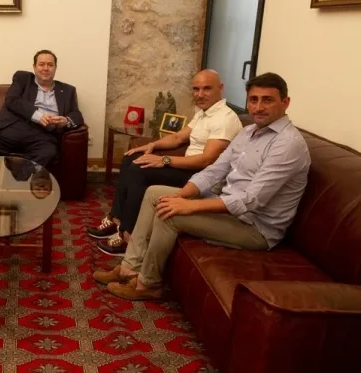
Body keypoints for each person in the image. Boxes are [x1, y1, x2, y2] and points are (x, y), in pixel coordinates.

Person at [93, 72, 310, 301]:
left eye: (267, 100)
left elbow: (251, 200)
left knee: (170, 215)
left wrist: (189, 206)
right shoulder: (248, 133)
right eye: (253, 100)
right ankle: (130, 268)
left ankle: (148, 283)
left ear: (285, 102)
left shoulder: (287, 144)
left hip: (255, 228)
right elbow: (215, 170)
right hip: (228, 209)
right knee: (154, 193)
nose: (258, 107)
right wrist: (182, 195)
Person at [87, 70, 242, 256]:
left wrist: (164, 160)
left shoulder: (225, 119)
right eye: (196, 89)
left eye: (206, 89)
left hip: (202, 179)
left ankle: (128, 236)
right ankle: (116, 219)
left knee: (139, 169)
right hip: (189, 169)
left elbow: (207, 160)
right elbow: (178, 137)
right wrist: (151, 146)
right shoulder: (204, 113)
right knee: (131, 159)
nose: (200, 94)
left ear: (221, 88)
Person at [0, 50, 84, 167]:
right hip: (15, 127)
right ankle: (6, 173)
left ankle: (16, 175)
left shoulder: (67, 90)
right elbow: (12, 100)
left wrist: (66, 121)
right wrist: (39, 116)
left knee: (48, 153)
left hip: (43, 134)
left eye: (50, 65)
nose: (46, 68)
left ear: (55, 68)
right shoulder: (23, 79)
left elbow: (77, 115)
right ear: (34, 67)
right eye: (41, 64)